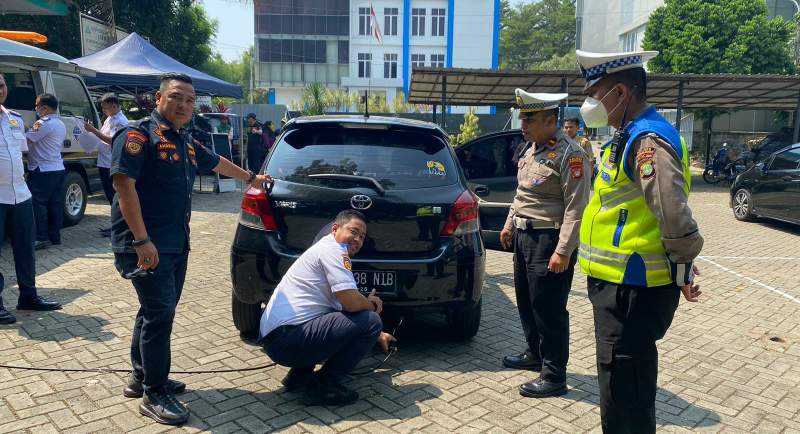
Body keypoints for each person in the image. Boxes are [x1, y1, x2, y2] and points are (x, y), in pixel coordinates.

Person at [111, 73, 272, 425]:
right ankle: (155, 393)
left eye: (189, 100)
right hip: (145, 245)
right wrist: (141, 240)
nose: (184, 105)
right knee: (160, 314)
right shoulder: (139, 134)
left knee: (152, 310)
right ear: (158, 98)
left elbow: (214, 161)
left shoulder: (183, 139)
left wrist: (250, 178)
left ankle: (142, 376)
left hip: (173, 243)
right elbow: (124, 187)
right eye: (176, 97)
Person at [576, 49, 704, 434]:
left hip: (633, 289)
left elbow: (672, 211)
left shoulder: (648, 140)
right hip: (620, 286)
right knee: (618, 387)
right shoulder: (629, 134)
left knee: (626, 392)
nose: (590, 103)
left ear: (620, 92)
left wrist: (683, 267)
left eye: (594, 93)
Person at [499, 89, 591, 398]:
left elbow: (576, 207)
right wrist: (510, 223)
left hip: (548, 240)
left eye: (530, 118)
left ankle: (554, 376)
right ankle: (534, 354)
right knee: (526, 301)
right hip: (525, 237)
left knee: (549, 308)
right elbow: (522, 194)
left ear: (551, 120)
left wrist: (563, 250)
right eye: (522, 117)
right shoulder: (530, 149)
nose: (523, 124)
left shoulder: (571, 154)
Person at [259, 210, 396, 406]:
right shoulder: (334, 250)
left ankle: (298, 377)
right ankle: (322, 386)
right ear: (335, 229)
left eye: (362, 236)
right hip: (286, 341)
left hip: (277, 339)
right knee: (371, 320)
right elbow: (351, 303)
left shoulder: (325, 248)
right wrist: (372, 305)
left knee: (351, 321)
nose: (357, 239)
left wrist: (377, 334)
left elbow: (342, 314)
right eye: (353, 231)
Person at [0, 74, 61, 324]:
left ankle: (28, 296)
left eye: (2, 85)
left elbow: (21, 152)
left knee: (26, 249)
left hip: (20, 194)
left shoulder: (14, 119)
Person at [25, 93, 67, 250]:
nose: (35, 108)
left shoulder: (42, 123)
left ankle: (41, 237)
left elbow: (26, 140)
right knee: (54, 203)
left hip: (42, 170)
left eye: (37, 105)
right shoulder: (60, 123)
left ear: (45, 107)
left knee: (38, 203)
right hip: (56, 168)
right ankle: (54, 236)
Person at [84, 93, 129, 237]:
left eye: (105, 108)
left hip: (112, 163)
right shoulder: (109, 119)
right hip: (103, 162)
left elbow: (113, 141)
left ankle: (121, 227)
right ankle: (115, 225)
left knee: (116, 197)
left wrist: (93, 130)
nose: (103, 111)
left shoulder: (121, 121)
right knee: (111, 196)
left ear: (114, 106)